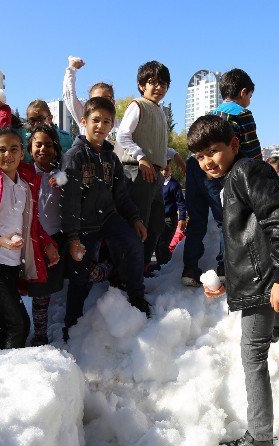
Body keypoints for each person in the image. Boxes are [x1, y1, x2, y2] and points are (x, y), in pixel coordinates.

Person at [188, 116, 279, 446]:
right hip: (259, 280)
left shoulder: (247, 172)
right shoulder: (232, 180)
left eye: (213, 151)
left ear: (234, 145)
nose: (207, 162)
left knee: (252, 355)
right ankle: (260, 434)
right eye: (199, 156)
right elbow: (246, 242)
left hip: (267, 282)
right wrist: (230, 278)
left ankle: (259, 437)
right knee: (254, 353)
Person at [0, 128, 59, 350]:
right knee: (20, 324)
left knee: (2, 323)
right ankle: (8, 371)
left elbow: (31, 224)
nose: (8, 155)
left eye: (14, 149)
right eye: (2, 150)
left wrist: (47, 244)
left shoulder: (26, 183)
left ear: (22, 151)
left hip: (13, 262)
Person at [62, 97, 150, 340]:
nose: (100, 126)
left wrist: (135, 219)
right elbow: (69, 201)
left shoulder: (112, 158)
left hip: (108, 218)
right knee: (80, 275)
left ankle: (136, 298)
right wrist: (72, 237)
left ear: (112, 125)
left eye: (106, 121)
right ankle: (72, 324)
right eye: (95, 120)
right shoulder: (74, 156)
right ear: (84, 121)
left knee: (133, 244)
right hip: (83, 225)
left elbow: (121, 195)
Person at [182, 68, 262, 287]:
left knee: (196, 220)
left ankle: (189, 269)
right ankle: (224, 268)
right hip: (217, 172)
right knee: (226, 220)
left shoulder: (210, 114)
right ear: (244, 92)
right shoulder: (242, 114)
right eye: (250, 97)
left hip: (195, 166)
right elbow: (252, 150)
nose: (249, 101)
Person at [116, 60, 171, 273]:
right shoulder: (137, 105)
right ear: (141, 85)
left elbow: (156, 143)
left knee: (156, 224)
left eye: (163, 83)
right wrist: (141, 157)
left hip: (154, 174)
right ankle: (127, 274)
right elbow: (122, 135)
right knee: (138, 225)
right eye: (153, 82)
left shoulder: (159, 110)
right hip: (137, 172)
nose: (158, 87)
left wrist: (172, 158)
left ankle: (142, 267)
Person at [26, 124, 68, 346]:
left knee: (69, 278)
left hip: (59, 237)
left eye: (48, 145)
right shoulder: (24, 173)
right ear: (30, 148)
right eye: (38, 144)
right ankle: (39, 335)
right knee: (40, 292)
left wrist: (64, 182)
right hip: (35, 240)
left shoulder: (62, 173)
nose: (43, 149)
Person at [0, 93, 73, 156]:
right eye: (32, 120)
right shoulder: (26, 139)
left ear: (50, 118)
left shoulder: (66, 138)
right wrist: (4, 112)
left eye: (40, 119)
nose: (36, 124)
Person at [155, 161, 186, 267]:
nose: (164, 172)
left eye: (166, 170)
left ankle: (166, 266)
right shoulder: (157, 182)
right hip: (157, 218)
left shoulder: (174, 184)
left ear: (170, 169)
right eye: (162, 170)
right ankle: (160, 266)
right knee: (157, 243)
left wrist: (182, 218)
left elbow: (181, 202)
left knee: (163, 244)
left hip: (169, 219)